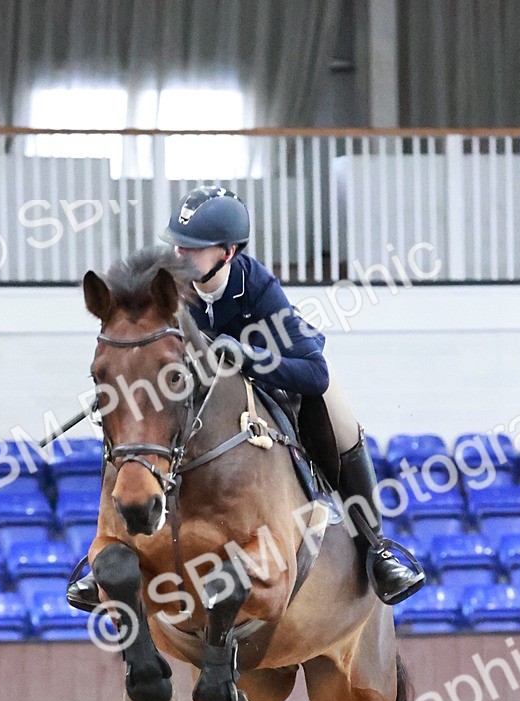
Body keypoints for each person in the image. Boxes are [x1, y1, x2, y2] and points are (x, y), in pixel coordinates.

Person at [68, 187, 424, 611]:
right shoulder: (166, 292)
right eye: (178, 244)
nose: (180, 255)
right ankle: (105, 553)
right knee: (129, 427)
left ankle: (375, 547)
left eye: (193, 248)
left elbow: (313, 370)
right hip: (199, 400)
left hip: (278, 377)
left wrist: (248, 357)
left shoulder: (257, 286)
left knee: (341, 417)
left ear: (228, 252)